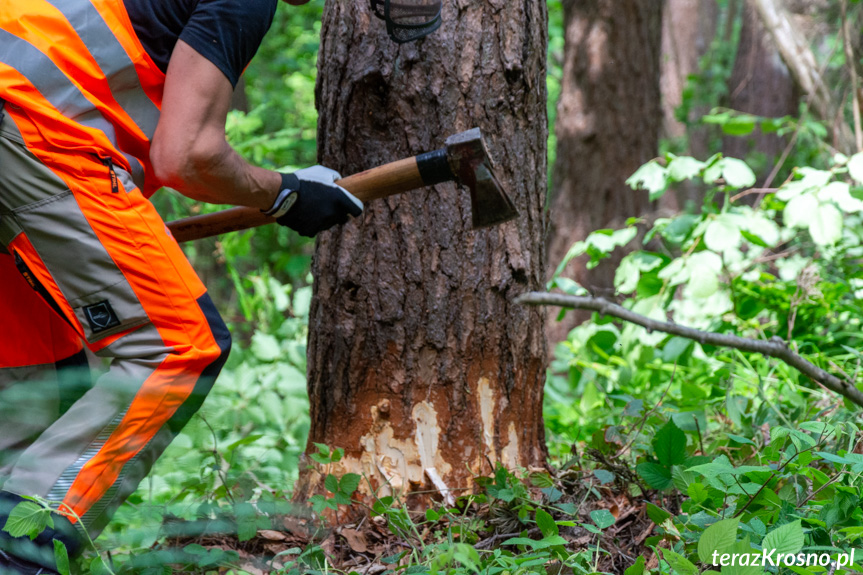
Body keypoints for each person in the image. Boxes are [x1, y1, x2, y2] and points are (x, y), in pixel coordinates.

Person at [0, 0, 364, 572]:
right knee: (177, 345)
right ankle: (22, 550)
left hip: (20, 124)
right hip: (30, 124)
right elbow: (187, 155)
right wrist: (286, 192)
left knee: (39, 368)